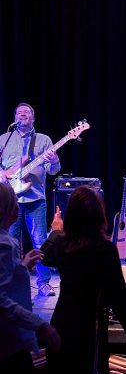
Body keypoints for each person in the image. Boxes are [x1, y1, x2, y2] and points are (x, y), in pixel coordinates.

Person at [40, 186, 126, 374]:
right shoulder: (105, 250)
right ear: (99, 215)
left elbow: (45, 255)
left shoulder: (62, 244)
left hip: (61, 323)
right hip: (88, 329)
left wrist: (55, 231)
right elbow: (120, 299)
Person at [0, 182, 61, 374]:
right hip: (10, 344)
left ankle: (44, 282)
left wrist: (22, 267)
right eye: (14, 202)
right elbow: (2, 301)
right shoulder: (5, 245)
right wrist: (41, 325)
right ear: (8, 210)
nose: (18, 206)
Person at [0, 103, 61, 296]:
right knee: (9, 242)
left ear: (33, 118)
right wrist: (2, 173)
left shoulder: (43, 140)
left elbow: (53, 170)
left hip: (35, 198)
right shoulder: (4, 139)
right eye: (19, 112)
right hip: (10, 200)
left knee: (40, 241)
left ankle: (43, 283)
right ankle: (9, 282)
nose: (23, 114)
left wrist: (54, 161)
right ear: (15, 118)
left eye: (27, 112)